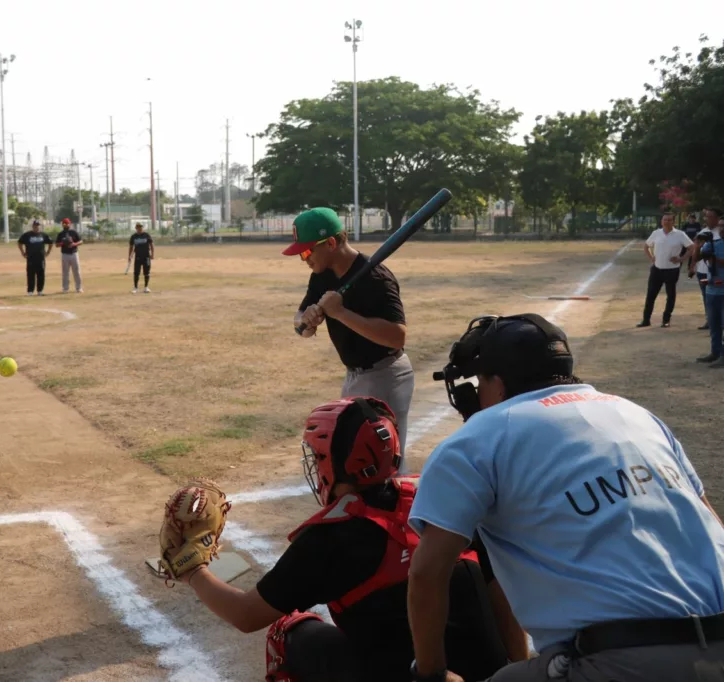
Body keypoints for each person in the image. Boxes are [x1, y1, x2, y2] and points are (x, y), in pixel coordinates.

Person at [407, 313, 724, 682]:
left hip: (618, 659)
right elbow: (711, 522)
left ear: (496, 381)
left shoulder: (478, 438)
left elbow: (426, 573)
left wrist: (430, 673)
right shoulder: (635, 413)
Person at [175, 397, 521, 682]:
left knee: (288, 632)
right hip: (492, 674)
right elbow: (498, 589)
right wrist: (518, 667)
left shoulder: (329, 538)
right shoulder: (439, 497)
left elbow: (246, 615)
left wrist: (191, 570)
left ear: (335, 462)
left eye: (319, 457)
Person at [286, 207, 414, 460]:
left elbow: (397, 336)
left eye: (307, 251)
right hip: (354, 375)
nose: (304, 258)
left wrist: (341, 313)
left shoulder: (376, 278)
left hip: (386, 375)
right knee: (354, 455)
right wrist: (307, 321)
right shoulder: (322, 275)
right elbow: (299, 320)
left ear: (331, 243)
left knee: (383, 461)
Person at [638, 212, 694, 328]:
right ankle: (646, 319)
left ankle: (666, 320)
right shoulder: (656, 233)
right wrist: (651, 258)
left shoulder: (680, 234)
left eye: (669, 220)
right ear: (661, 221)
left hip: (672, 270)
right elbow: (646, 246)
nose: (666, 222)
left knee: (671, 295)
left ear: (673, 222)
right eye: (664, 220)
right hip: (657, 269)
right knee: (651, 295)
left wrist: (681, 259)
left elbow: (691, 247)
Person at [698, 209, 724, 367]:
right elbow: (704, 258)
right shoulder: (714, 244)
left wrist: (716, 259)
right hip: (712, 289)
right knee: (714, 323)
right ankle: (715, 352)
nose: (721, 229)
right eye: (720, 226)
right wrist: (703, 248)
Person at [691, 207, 722, 332]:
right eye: (706, 216)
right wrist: (692, 266)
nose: (707, 219)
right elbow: (696, 251)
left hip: (718, 272)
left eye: (710, 216)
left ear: (717, 218)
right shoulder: (703, 232)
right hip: (702, 271)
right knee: (706, 297)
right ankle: (709, 320)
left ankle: (717, 322)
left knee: (718, 298)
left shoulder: (720, 232)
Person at [17, 219, 53, 295]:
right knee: (30, 274)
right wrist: (23, 252)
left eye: (38, 226)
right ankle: (30, 291)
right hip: (31, 258)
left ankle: (40, 291)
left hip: (40, 258)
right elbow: (20, 243)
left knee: (41, 274)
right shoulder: (27, 235)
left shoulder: (43, 235)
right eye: (35, 226)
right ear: (33, 226)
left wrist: (48, 252)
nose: (36, 227)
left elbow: (50, 242)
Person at [55, 217, 83, 293]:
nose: (66, 225)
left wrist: (74, 244)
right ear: (62, 224)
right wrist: (63, 243)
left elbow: (81, 241)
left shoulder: (74, 232)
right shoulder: (61, 234)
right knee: (65, 272)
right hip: (65, 254)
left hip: (74, 253)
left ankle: (79, 288)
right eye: (64, 223)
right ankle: (65, 288)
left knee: (76, 271)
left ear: (69, 224)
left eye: (67, 223)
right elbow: (56, 244)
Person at [128, 222, 154, 294]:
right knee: (136, 272)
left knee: (146, 272)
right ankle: (135, 288)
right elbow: (131, 247)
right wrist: (129, 256)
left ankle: (146, 287)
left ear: (142, 228)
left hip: (146, 256)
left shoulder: (146, 235)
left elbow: (151, 245)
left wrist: (152, 254)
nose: (139, 228)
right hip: (138, 257)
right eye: (138, 227)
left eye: (141, 227)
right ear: (136, 228)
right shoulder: (133, 237)